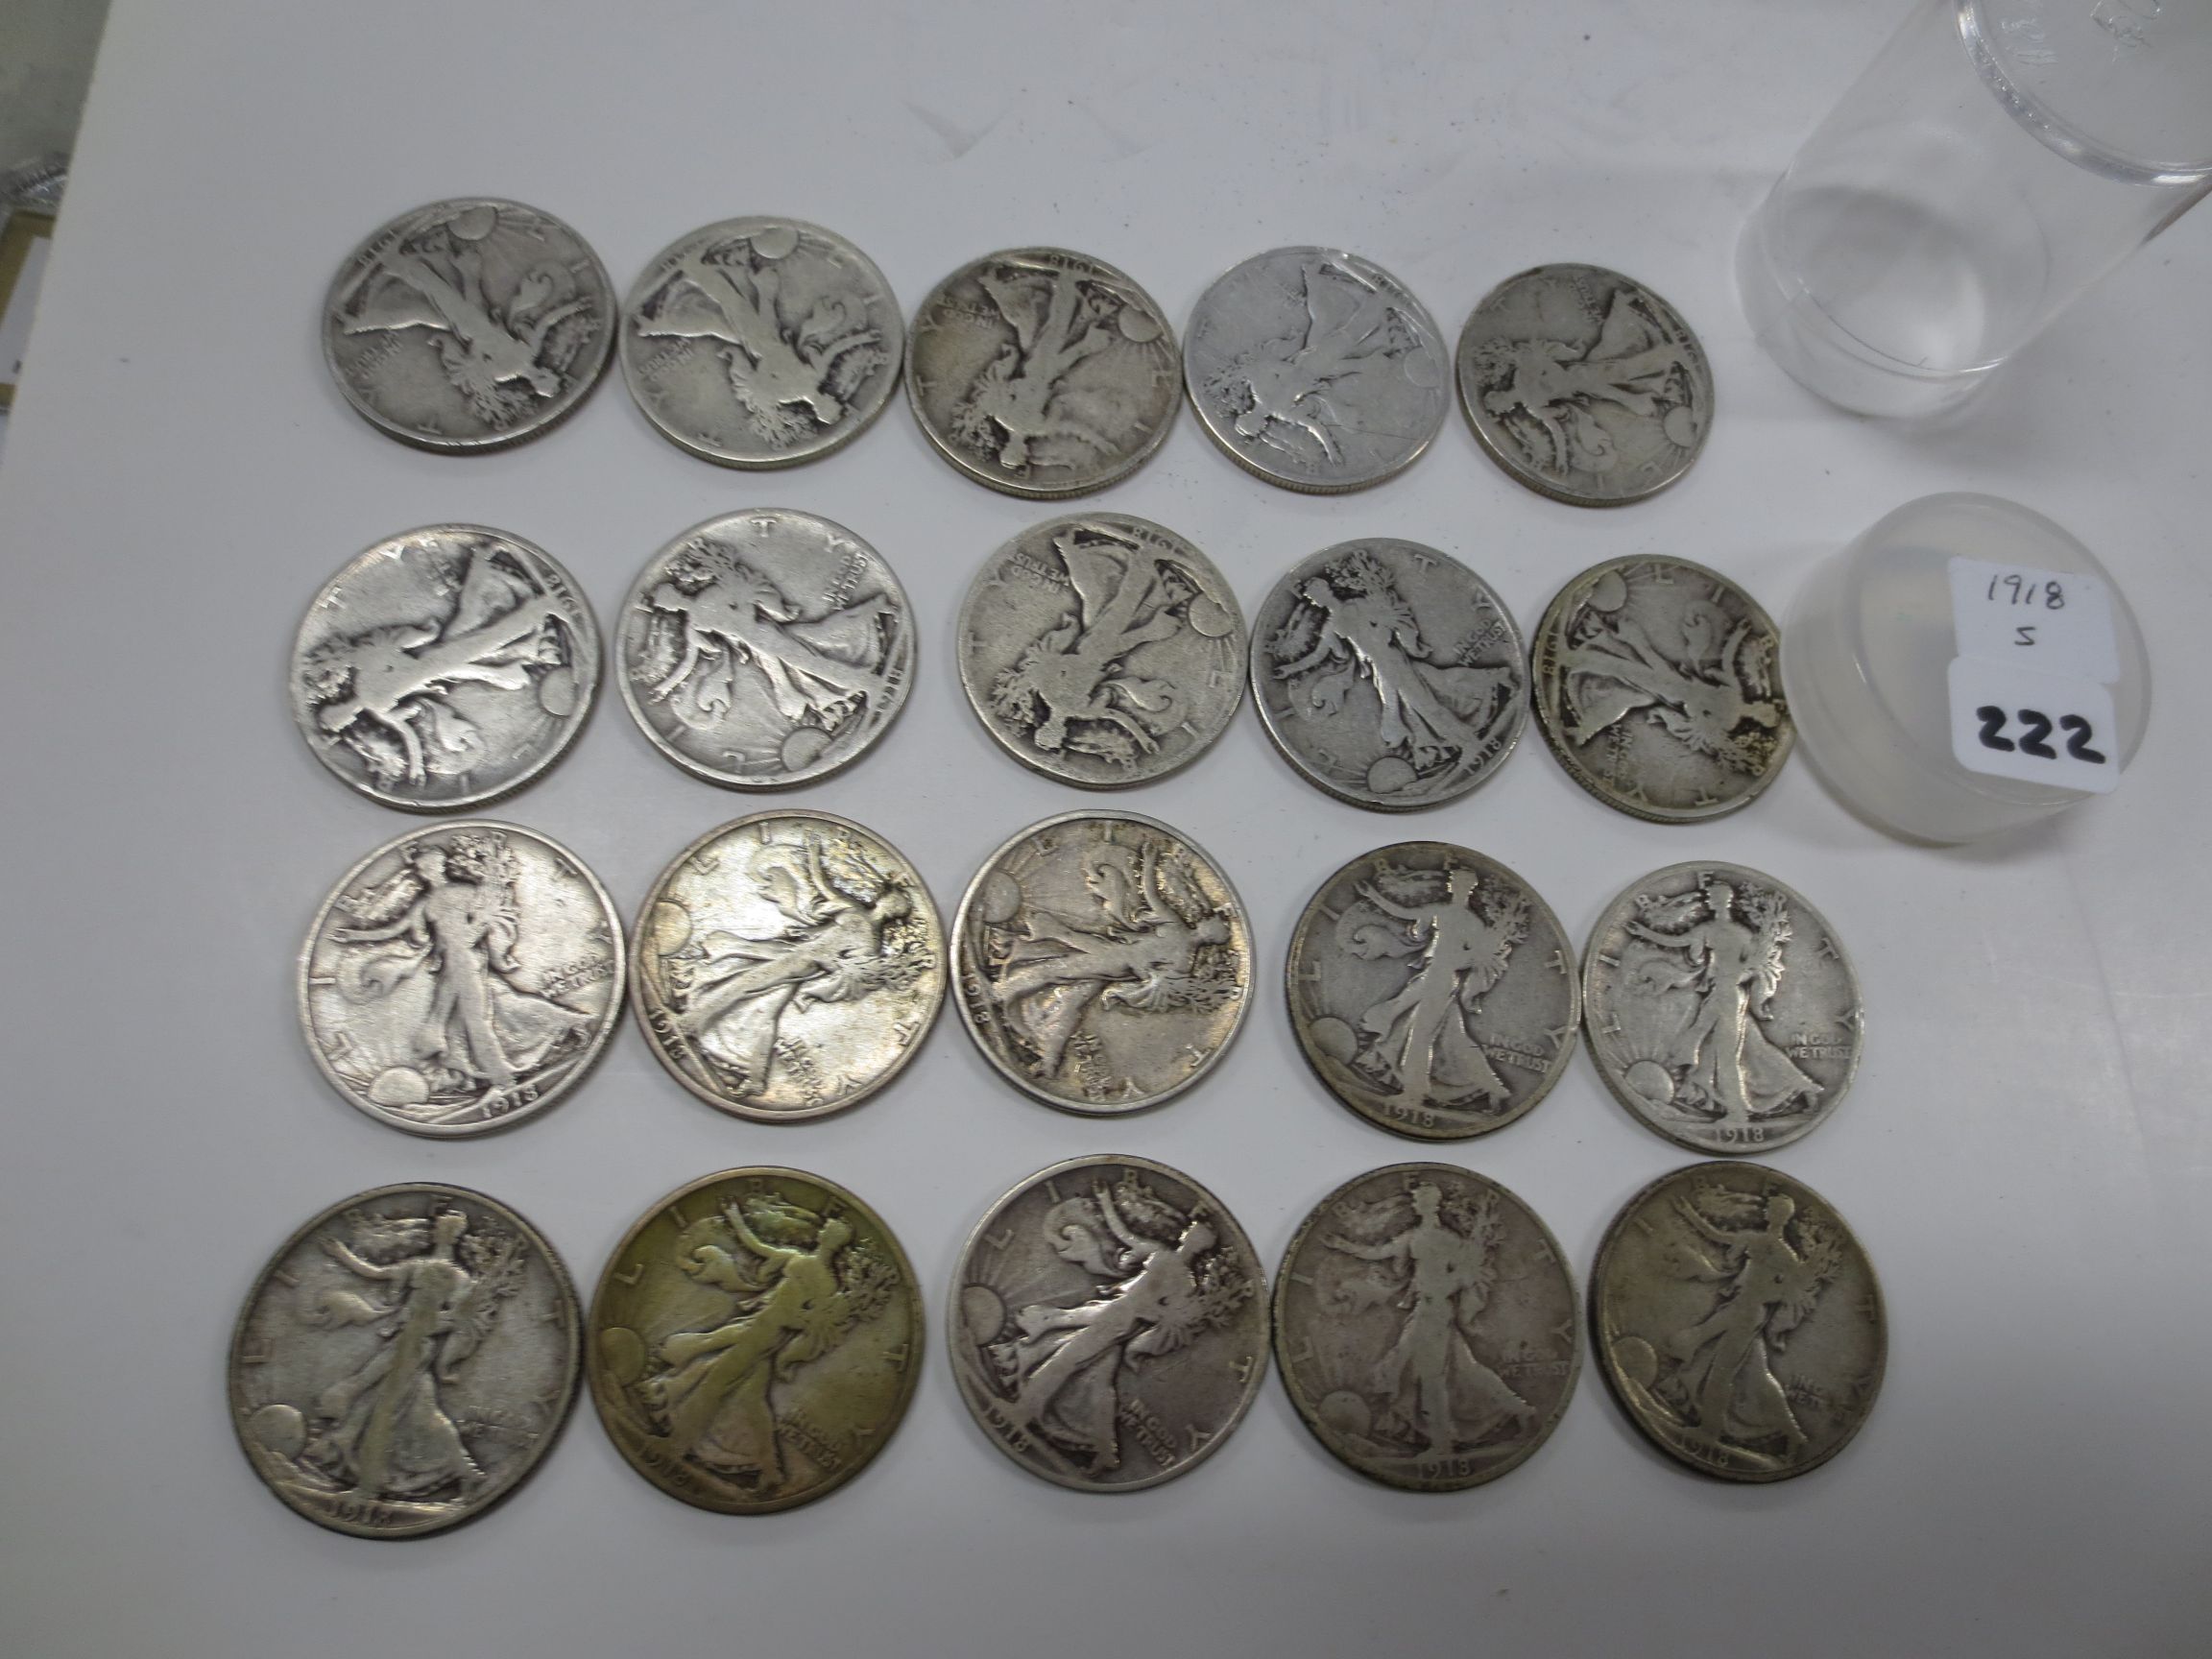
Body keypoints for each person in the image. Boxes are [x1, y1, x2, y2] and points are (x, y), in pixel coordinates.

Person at [644, 1203, 856, 1487]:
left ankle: (676, 1446)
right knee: (753, 1401)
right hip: (761, 1330)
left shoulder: (807, 1266)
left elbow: (809, 1322)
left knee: (714, 1385)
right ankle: (771, 1469)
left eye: (827, 1230)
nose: (822, 1230)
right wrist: (735, 1218)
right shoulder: (823, 1279)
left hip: (760, 1334)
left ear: (830, 1239)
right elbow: (757, 1247)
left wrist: (787, 1316)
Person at [1324, 1185, 1531, 1455]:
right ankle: (1522, 1411)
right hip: (1425, 1309)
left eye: (1419, 1200)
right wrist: (1343, 1246)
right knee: (1465, 1369)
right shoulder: (1414, 1236)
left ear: (1430, 1204)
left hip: (1435, 1311)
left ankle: (1442, 1443)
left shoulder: (1447, 1239)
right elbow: (1378, 1252)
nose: (1415, 1204)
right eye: (1415, 1200)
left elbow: (1468, 1272)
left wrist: (1443, 1287)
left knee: (1431, 1378)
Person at [305, 1210, 484, 1499]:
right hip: (405, 1342)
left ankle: (368, 1482)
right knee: (407, 1409)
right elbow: (376, 1273)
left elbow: (458, 1319)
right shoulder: (419, 1265)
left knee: (383, 1408)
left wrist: (428, 1325)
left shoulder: (458, 1277)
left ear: (453, 1235)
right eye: (439, 1227)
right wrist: (341, 1255)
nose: (437, 1231)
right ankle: (464, 1471)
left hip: (414, 1348)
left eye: (443, 1228)